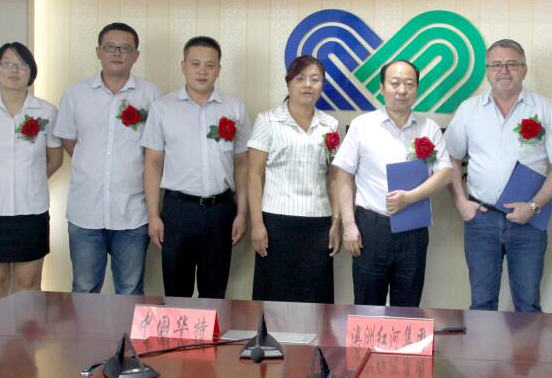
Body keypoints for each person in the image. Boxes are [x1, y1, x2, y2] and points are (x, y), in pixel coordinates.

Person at [445, 39, 552, 312]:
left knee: (528, 305)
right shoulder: (469, 110)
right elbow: (451, 158)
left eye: (511, 64)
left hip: (529, 222)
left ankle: (525, 346)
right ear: (487, 71)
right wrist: (460, 202)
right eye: (496, 64)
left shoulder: (545, 109)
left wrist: (534, 206)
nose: (503, 70)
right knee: (481, 304)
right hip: (481, 219)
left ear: (524, 70)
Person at [331, 60, 452, 307]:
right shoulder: (363, 126)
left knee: (408, 305)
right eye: (395, 83)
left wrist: (410, 197)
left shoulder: (428, 128)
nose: (402, 90)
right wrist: (349, 224)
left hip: (414, 227)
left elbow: (445, 172)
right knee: (367, 305)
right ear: (382, 87)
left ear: (416, 89)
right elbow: (343, 175)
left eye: (409, 84)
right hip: (371, 227)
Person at [54, 23, 162, 296]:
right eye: (110, 47)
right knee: (84, 288)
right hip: (85, 212)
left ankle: (125, 329)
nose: (117, 53)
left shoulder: (151, 95)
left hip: (133, 212)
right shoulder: (75, 94)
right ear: (98, 51)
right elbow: (69, 141)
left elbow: (156, 150)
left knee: (130, 289)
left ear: (136, 56)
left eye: (125, 48)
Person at [140, 36, 249, 299]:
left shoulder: (234, 108)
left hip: (221, 210)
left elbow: (242, 165)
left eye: (210, 65)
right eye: (195, 64)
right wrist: (153, 215)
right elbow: (153, 164)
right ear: (183, 66)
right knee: (177, 291)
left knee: (215, 291)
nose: (202, 71)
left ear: (218, 70)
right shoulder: (163, 108)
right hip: (178, 210)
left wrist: (241, 213)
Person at [0, 42, 63, 305]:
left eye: (21, 64)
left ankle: (28, 335)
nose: (14, 70)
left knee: (28, 287)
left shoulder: (47, 112)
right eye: (7, 63)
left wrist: (27, 182)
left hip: (31, 212)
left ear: (31, 71)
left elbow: (55, 160)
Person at [247, 55, 342, 303]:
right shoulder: (268, 120)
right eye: (300, 78)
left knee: (315, 297)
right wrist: (257, 224)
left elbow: (334, 177)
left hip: (318, 222)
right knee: (275, 295)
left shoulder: (329, 125)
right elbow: (254, 174)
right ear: (288, 82)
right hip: (276, 222)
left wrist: (336, 221)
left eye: (315, 79)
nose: (307, 85)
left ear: (322, 85)